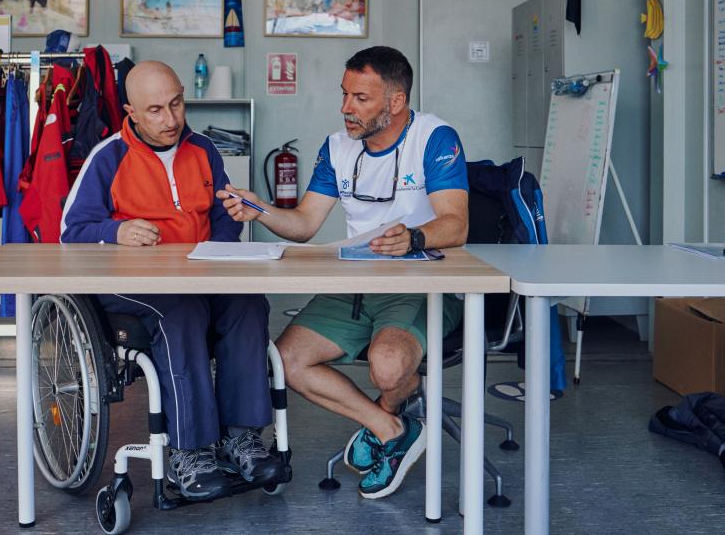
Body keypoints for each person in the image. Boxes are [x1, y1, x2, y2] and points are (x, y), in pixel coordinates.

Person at [218, 46, 469, 499]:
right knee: (287, 361)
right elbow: (305, 224)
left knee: (388, 366)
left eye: (360, 98)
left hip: (418, 285)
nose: (345, 108)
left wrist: (414, 238)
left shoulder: (435, 138)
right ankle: (390, 428)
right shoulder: (337, 147)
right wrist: (261, 210)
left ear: (395, 102)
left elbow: (456, 223)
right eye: (344, 95)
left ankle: (391, 410)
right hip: (355, 283)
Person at [60, 61, 284, 501]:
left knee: (247, 304)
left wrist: (217, 251)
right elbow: (70, 230)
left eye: (177, 104)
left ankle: (241, 438)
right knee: (180, 312)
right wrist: (114, 231)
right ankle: (190, 451)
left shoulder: (204, 149)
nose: (171, 119)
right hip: (130, 286)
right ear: (132, 112)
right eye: (156, 110)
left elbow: (223, 215)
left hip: (199, 276)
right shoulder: (109, 157)